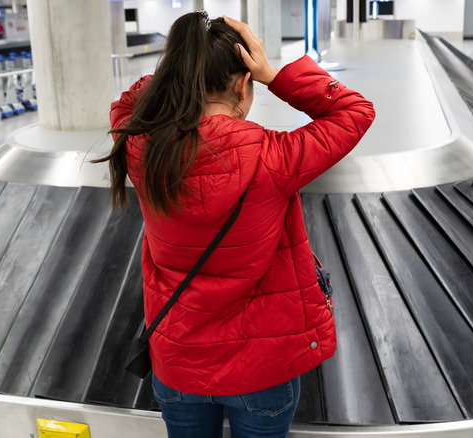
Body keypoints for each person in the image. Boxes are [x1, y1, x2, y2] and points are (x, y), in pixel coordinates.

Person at [98, 11, 374, 438]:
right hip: (261, 372)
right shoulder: (274, 156)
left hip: (178, 364)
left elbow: (124, 105)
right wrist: (275, 74)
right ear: (244, 84)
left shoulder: (141, 148)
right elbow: (353, 110)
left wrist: (177, 69)